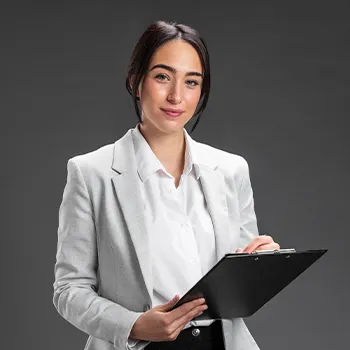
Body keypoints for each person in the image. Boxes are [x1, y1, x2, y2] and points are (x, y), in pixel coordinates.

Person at [53, 20, 280, 350]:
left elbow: (237, 287)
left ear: (202, 92)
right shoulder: (91, 173)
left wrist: (261, 265)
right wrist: (133, 325)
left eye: (191, 82)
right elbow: (69, 290)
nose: (176, 96)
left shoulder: (231, 170)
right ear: (136, 81)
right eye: (162, 76)